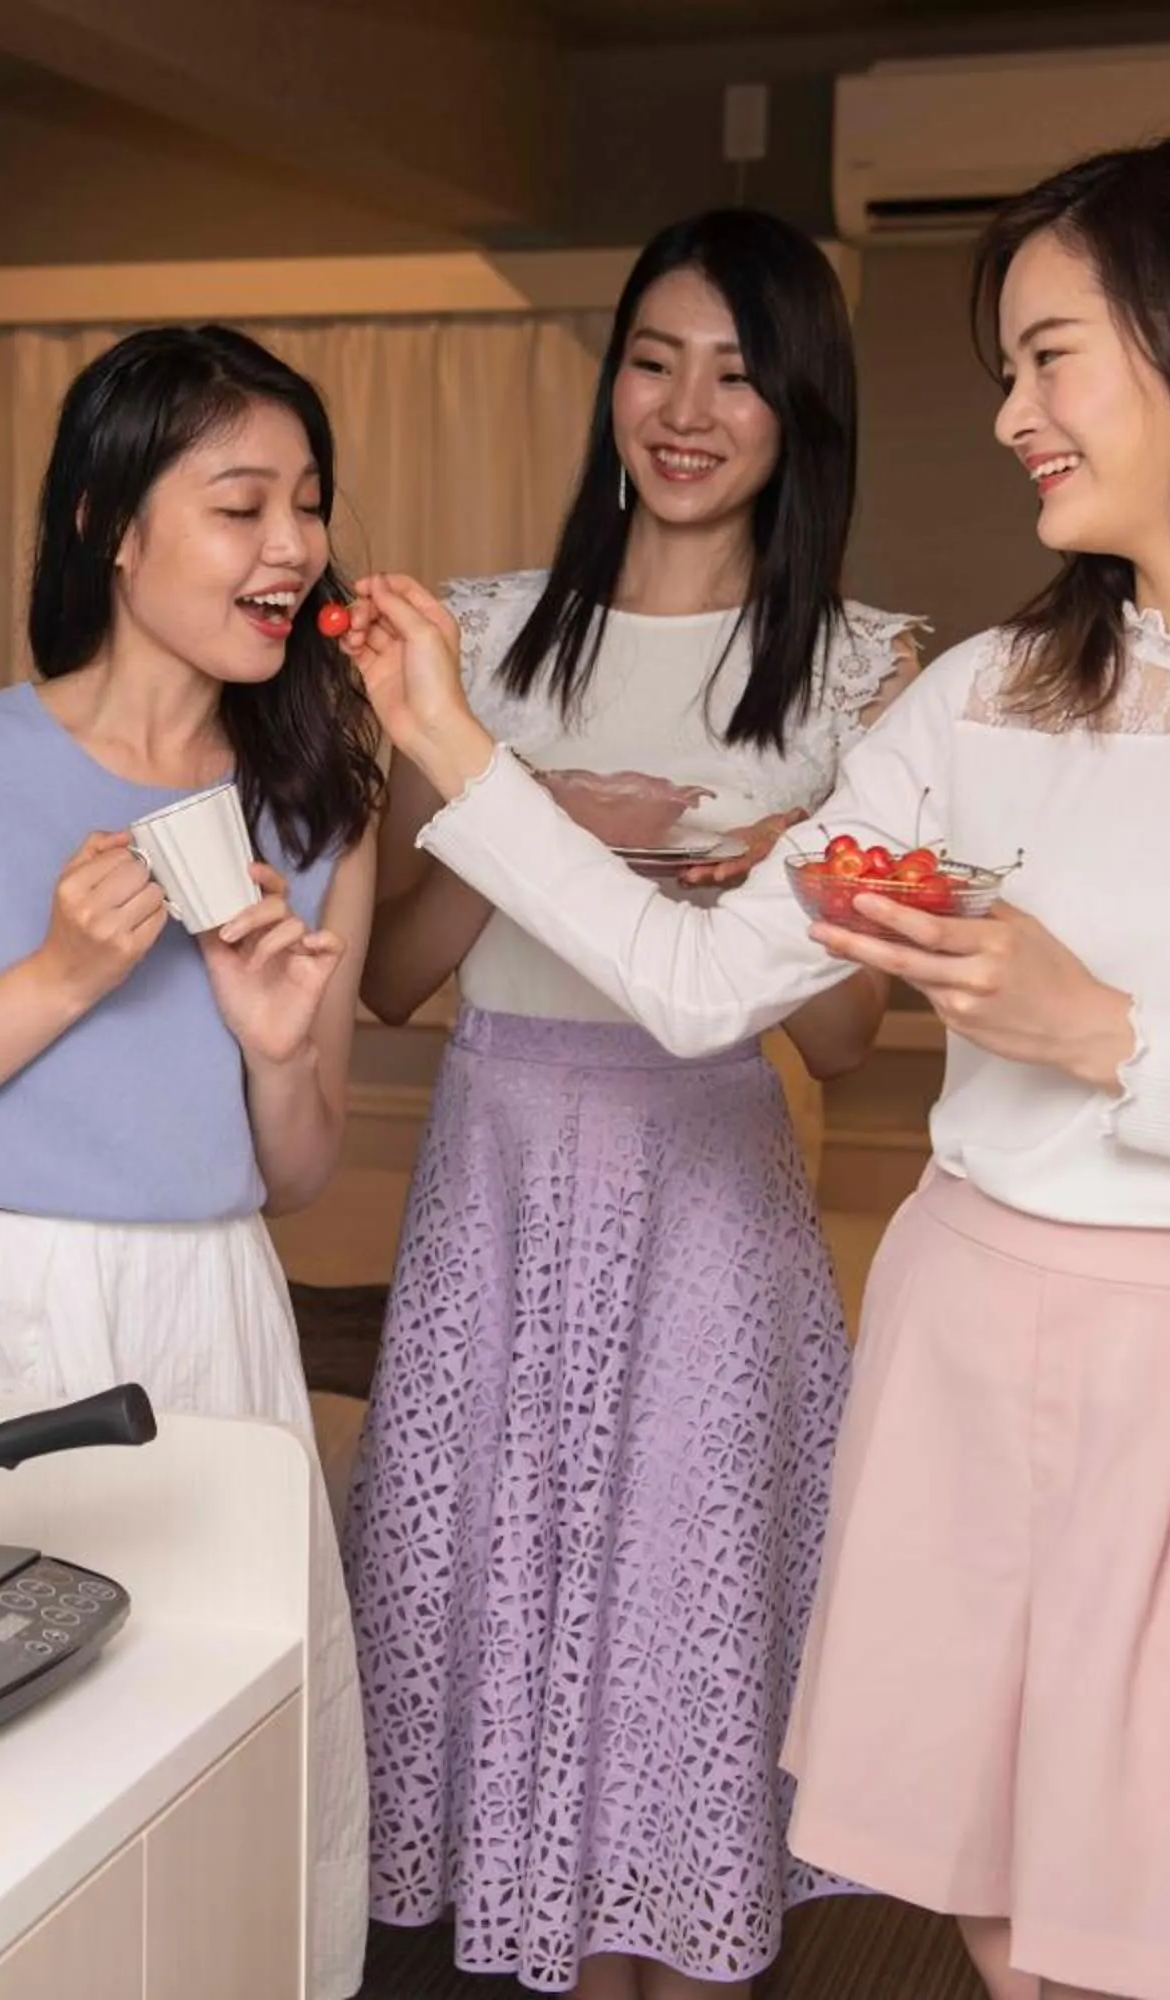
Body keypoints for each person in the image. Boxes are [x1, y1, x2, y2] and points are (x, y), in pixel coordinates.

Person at [337, 131, 1170, 2000]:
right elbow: (696, 988)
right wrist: (459, 750)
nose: (1010, 413)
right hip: (960, 1330)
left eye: (1046, 357)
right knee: (1000, 1936)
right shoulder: (982, 696)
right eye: (1004, 366)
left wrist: (1107, 1037)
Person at [342, 208, 914, 2000]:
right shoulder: (481, 640)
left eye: (740, 374)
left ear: (799, 411)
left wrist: (791, 892)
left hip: (709, 1205)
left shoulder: (870, 667)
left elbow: (840, 1050)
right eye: (654, 359)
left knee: (680, 1644)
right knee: (511, 1635)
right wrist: (531, 830)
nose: (687, 408)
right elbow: (388, 976)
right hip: (497, 1179)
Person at [0, 324, 382, 1999]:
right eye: (242, 503)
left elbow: (298, 1174)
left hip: (205, 1324)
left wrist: (268, 1051)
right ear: (114, 524)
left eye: (308, 506)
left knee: (209, 1777)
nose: (291, 547)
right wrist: (55, 980)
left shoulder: (320, 809)